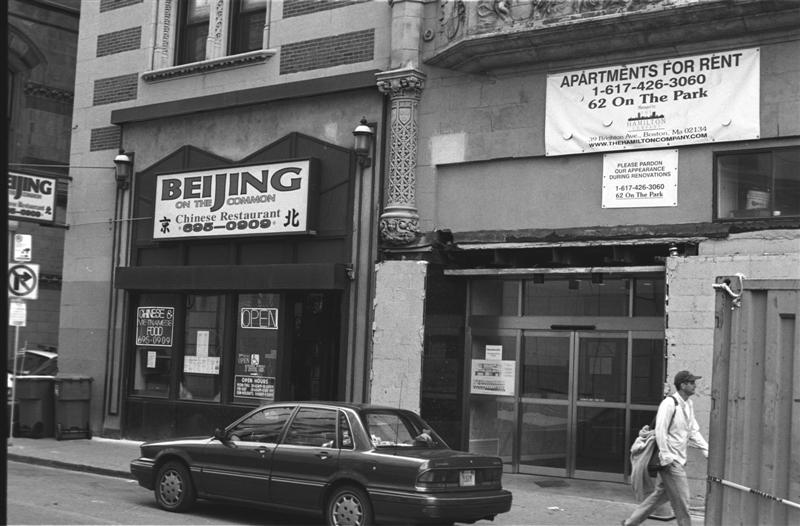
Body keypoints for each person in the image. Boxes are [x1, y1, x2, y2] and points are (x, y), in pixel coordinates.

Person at [622, 370, 709, 526]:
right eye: (691, 382)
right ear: (682, 385)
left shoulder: (688, 404)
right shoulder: (669, 404)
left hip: (679, 459)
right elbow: (660, 431)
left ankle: (630, 523)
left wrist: (706, 449)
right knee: (683, 502)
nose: (695, 385)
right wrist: (666, 456)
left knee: (659, 496)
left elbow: (693, 431)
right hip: (670, 461)